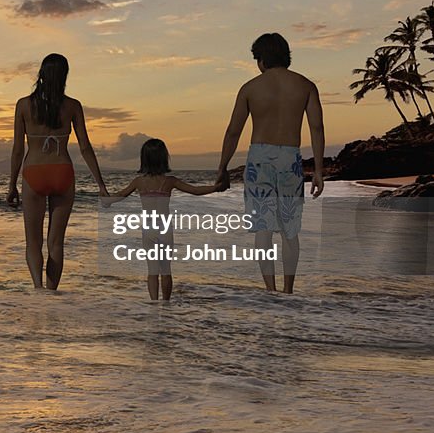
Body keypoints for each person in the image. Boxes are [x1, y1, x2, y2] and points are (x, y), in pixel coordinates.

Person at [215, 33, 325, 294]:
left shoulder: (250, 88)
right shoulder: (305, 85)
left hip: (260, 160)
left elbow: (233, 131)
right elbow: (317, 128)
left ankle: (270, 291)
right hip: (291, 158)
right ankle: (288, 290)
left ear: (261, 59)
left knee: (263, 230)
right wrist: (319, 170)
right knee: (289, 229)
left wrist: (222, 167)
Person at [7, 53, 108, 289]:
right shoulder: (72, 106)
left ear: (41, 74)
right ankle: (52, 295)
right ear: (64, 76)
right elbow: (85, 147)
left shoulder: (23, 105)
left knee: (33, 243)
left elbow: (17, 151)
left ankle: (38, 292)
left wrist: (12, 185)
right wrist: (101, 185)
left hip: (34, 172)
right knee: (56, 243)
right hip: (62, 171)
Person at [103, 138, 225, 301]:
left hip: (148, 230)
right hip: (165, 229)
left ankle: (154, 303)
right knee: (166, 269)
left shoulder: (139, 182)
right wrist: (215, 188)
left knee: (152, 271)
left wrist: (107, 201)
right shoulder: (170, 181)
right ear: (163, 158)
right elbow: (195, 190)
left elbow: (121, 195)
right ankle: (166, 305)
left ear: (144, 159)